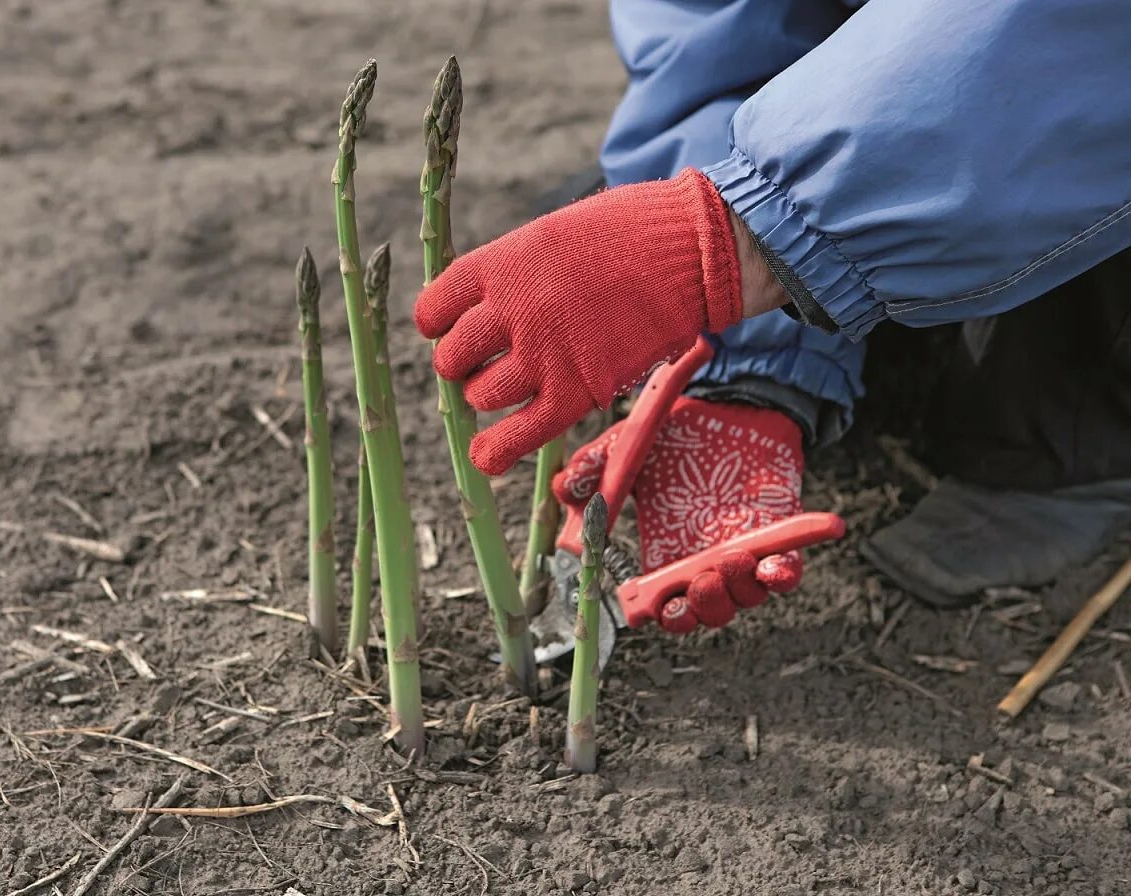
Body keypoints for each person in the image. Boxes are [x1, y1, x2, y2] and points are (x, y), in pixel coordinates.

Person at [413, 0, 1131, 627]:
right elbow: (715, 30)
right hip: (924, 104)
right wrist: (745, 368)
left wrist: (737, 240)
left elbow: (1072, 37)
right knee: (619, 184)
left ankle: (1076, 451)